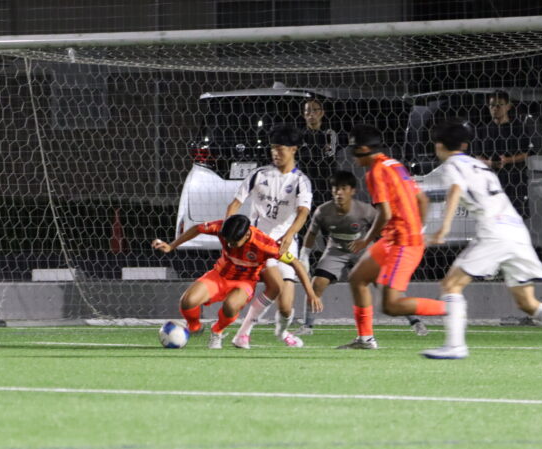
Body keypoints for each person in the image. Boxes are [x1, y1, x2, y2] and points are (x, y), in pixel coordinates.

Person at [422, 120, 542, 359]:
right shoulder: (478, 165)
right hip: (516, 231)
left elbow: (455, 189)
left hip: (494, 232)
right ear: (464, 144)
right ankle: (454, 346)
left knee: (451, 285)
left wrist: (443, 228)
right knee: (527, 303)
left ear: (438, 145)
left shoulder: (452, 165)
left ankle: (455, 346)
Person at [340, 124, 445, 350]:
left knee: (391, 306)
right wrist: (419, 229)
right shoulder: (395, 165)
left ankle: (451, 308)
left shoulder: (375, 173)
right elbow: (422, 200)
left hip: (402, 243)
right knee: (357, 277)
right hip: (394, 239)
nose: (352, 155)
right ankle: (365, 339)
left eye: (353, 149)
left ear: (363, 149)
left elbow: (385, 214)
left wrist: (365, 240)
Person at [152, 215, 321, 349]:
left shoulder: (265, 245)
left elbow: (296, 264)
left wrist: (311, 293)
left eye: (234, 242)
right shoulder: (222, 228)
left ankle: (217, 331)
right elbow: (197, 228)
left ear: (247, 234)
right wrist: (172, 246)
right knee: (187, 302)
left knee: (231, 306)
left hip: (244, 282)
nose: (230, 245)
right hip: (219, 275)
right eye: (227, 241)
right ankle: (195, 326)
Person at [296, 170, 429, 336]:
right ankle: (307, 327)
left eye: (344, 188)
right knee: (317, 284)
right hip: (335, 250)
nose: (339, 192)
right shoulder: (323, 211)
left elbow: (383, 225)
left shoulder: (365, 210)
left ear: (352, 191)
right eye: (336, 188)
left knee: (387, 286)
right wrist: (304, 255)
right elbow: (311, 233)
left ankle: (416, 321)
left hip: (363, 249)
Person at [225, 124, 313, 349]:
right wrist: (229, 232)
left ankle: (282, 332)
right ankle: (243, 334)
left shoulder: (300, 181)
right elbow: (234, 204)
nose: (275, 153)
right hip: (259, 243)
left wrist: (289, 235)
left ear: (293, 149)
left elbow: (303, 213)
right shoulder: (259, 175)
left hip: (285, 244)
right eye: (272, 148)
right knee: (274, 286)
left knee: (286, 306)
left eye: (280, 148)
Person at [473, 90, 532, 218]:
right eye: (492, 105)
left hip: (515, 181)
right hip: (490, 182)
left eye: (499, 105)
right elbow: (477, 156)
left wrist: (507, 160)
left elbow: (526, 153)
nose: (495, 108)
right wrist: (490, 163)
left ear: (508, 106)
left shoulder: (518, 128)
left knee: (515, 217)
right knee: (493, 218)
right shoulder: (482, 130)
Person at [299, 98, 338, 206]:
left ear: (322, 113)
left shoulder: (329, 133)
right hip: (305, 179)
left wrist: (307, 152)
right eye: (308, 110)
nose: (311, 114)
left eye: (315, 110)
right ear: (303, 114)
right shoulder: (299, 135)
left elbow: (329, 153)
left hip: (326, 179)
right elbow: (298, 156)